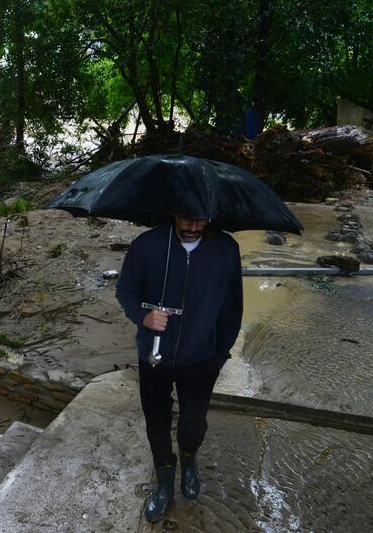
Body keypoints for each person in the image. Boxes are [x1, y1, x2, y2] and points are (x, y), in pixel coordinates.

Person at [115, 212, 243, 523]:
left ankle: (189, 461)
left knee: (192, 426)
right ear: (173, 213)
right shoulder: (147, 245)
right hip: (154, 356)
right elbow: (126, 291)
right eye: (186, 219)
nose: (193, 228)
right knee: (156, 424)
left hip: (201, 359)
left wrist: (219, 353)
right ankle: (163, 486)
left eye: (200, 221)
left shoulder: (225, 249)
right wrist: (143, 317)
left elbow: (232, 307)